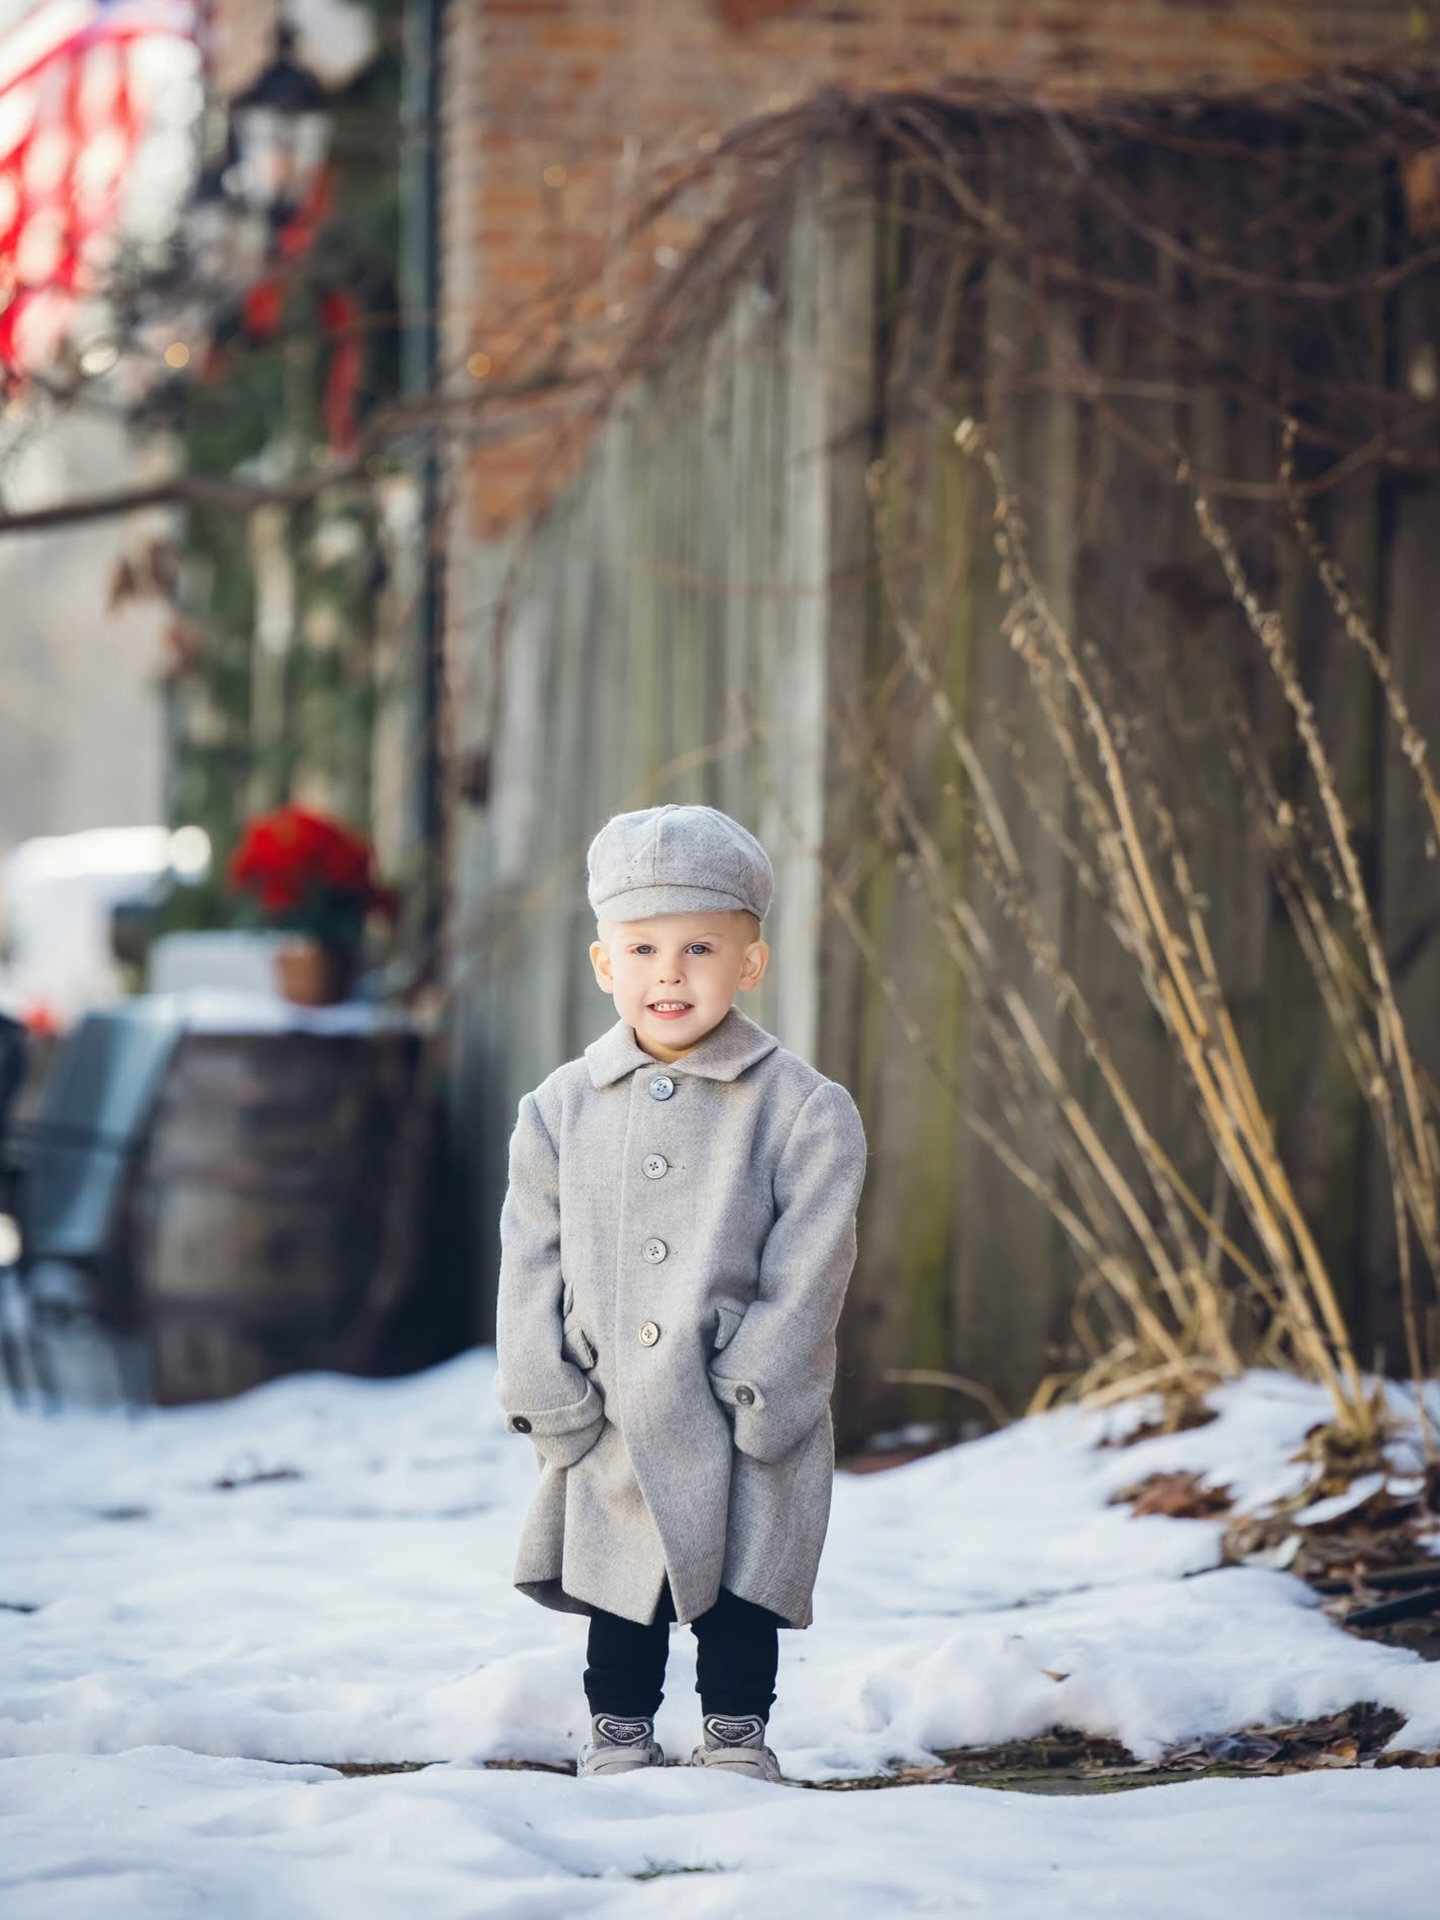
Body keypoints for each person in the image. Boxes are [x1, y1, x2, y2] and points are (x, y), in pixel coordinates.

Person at [495, 802, 868, 1781]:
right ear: (603, 964)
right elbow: (529, 1259)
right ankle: (620, 1726)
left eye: (701, 946)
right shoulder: (558, 1111)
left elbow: (812, 1264)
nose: (671, 973)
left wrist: (764, 1389)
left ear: (750, 962)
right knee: (625, 1582)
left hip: (742, 1404)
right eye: (644, 947)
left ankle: (736, 1729)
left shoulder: (802, 1110)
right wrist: (548, 1392)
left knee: (741, 1584)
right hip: (611, 1402)